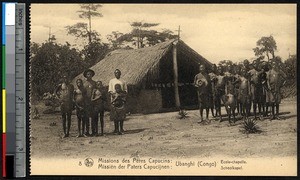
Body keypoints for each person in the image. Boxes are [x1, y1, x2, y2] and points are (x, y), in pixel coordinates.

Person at [108, 69, 128, 135]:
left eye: (118, 73)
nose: (117, 74)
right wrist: (115, 95)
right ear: (114, 74)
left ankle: (121, 128)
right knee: (115, 115)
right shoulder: (111, 81)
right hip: (114, 100)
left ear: (120, 73)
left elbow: (125, 90)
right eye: (116, 73)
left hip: (121, 99)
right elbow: (110, 90)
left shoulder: (123, 81)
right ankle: (116, 129)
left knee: (121, 115)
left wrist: (120, 95)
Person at [83, 69, 96, 136]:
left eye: (90, 74)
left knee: (93, 117)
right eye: (88, 74)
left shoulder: (94, 83)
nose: (89, 75)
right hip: (86, 102)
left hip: (93, 102)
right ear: (86, 75)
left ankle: (93, 131)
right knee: (86, 117)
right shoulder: (84, 84)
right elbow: (83, 94)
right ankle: (87, 131)